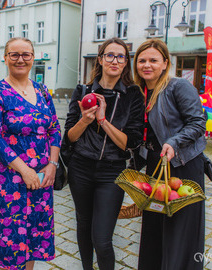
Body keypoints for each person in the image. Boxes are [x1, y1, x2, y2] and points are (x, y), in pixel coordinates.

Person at [0, 37, 61, 270]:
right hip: (7, 182)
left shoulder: (42, 90)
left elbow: (54, 128)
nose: (20, 60)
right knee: (8, 245)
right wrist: (25, 170)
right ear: (5, 58)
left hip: (41, 181)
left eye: (26, 55)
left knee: (33, 241)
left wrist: (52, 164)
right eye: (14, 55)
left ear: (33, 58)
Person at [64, 37, 144, 269]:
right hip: (81, 169)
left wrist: (103, 120)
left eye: (121, 56)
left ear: (125, 63)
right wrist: (85, 120)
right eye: (110, 55)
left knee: (102, 238)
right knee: (84, 227)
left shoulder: (133, 95)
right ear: (100, 59)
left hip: (112, 173)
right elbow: (69, 137)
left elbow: (130, 143)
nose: (115, 60)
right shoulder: (82, 91)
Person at [133, 39, 206, 270]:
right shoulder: (140, 91)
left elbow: (198, 123)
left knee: (179, 228)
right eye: (142, 60)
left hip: (182, 164)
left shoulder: (178, 86)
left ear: (165, 63)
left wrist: (174, 142)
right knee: (154, 224)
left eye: (153, 60)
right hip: (156, 164)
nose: (147, 65)